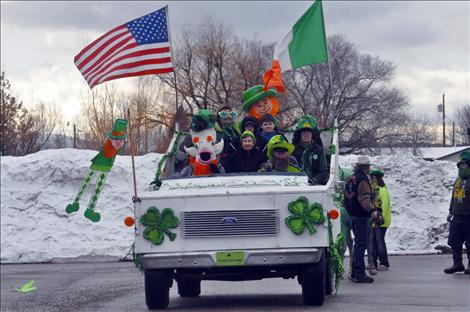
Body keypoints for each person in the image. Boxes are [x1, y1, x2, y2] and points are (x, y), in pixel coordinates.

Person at [344, 156, 383, 283]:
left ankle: (355, 272)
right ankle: (359, 273)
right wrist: (372, 210)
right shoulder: (363, 180)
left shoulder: (351, 178)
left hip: (352, 214)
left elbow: (347, 196)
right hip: (361, 215)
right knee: (361, 244)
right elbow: (364, 197)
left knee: (357, 244)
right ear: (366, 167)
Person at [444, 151, 470, 275]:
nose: (461, 167)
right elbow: (453, 197)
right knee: (454, 241)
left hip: (468, 216)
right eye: (460, 165)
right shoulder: (457, 181)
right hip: (457, 215)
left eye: (463, 165)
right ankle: (457, 264)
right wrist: (450, 212)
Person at [292, 115, 328, 185]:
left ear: (312, 135)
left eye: (308, 133)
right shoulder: (293, 150)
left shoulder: (319, 151)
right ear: (300, 135)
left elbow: (324, 171)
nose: (306, 135)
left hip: (314, 184)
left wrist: (313, 180)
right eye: (304, 133)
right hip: (296, 183)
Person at [368, 169, 391, 273]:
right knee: (373, 242)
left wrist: (378, 217)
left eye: (372, 178)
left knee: (380, 241)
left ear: (377, 179)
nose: (371, 180)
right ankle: (374, 262)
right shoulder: (374, 190)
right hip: (374, 221)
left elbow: (384, 206)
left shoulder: (382, 190)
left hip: (381, 221)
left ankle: (384, 262)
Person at [339, 166, 354, 278]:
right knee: (349, 242)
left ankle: (340, 270)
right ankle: (352, 268)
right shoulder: (352, 178)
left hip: (344, 211)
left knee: (345, 242)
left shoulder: (344, 175)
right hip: (348, 211)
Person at [215, 106, 240, 172]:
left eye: (230, 114)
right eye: (224, 114)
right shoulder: (214, 131)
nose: (227, 117)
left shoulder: (236, 130)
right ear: (219, 117)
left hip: (236, 162)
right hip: (222, 163)